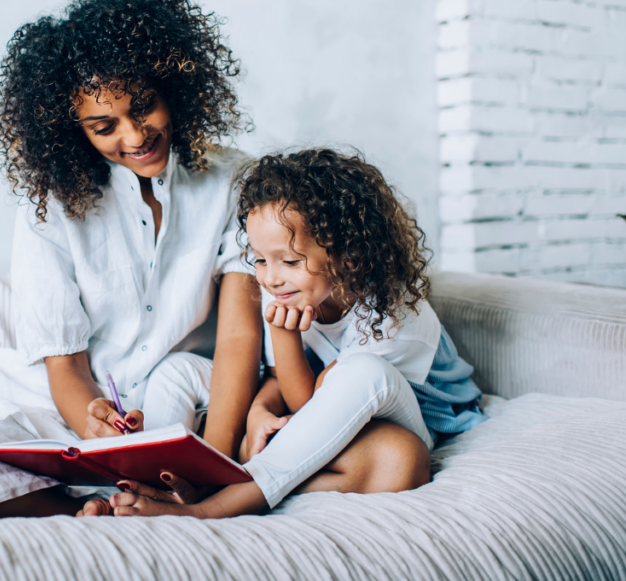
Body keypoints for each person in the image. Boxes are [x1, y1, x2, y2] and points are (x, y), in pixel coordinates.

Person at [0, 0, 433, 517]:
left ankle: (172, 498)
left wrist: (209, 466)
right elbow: (65, 368)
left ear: (171, 86)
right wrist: (96, 424)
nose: (135, 135)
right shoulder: (48, 212)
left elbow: (240, 337)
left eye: (144, 107)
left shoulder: (232, 183)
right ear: (69, 132)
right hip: (75, 416)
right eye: (105, 127)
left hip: (205, 414)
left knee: (397, 458)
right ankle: (118, 494)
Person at [108, 148, 487, 518]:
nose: (271, 277)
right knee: (177, 369)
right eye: (259, 259)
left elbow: (312, 404)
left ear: (348, 256)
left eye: (290, 260)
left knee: (395, 450)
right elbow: (282, 384)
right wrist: (260, 409)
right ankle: (158, 484)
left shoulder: (394, 315)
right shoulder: (288, 286)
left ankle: (220, 500)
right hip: (324, 407)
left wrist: (282, 338)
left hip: (414, 417)